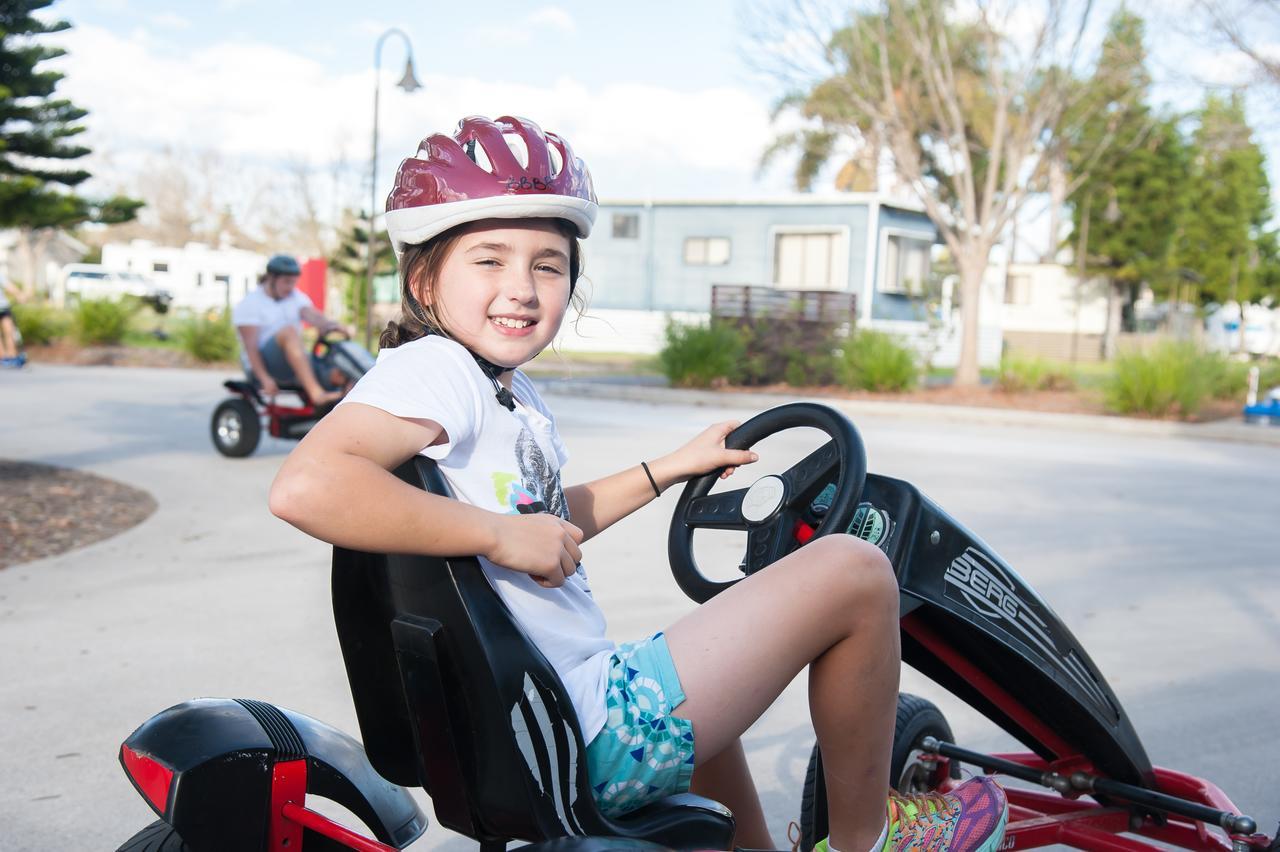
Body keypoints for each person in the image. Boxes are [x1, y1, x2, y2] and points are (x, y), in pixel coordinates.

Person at [269, 116, 1008, 852]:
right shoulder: (437, 371)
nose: (521, 289)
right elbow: (307, 486)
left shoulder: (500, 389)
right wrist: (498, 533)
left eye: (547, 266)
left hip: (547, 728)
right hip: (579, 734)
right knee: (857, 571)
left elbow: (545, 521)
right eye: (489, 261)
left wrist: (665, 470)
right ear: (423, 276)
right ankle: (867, 839)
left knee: (704, 678)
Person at [232, 254, 346, 406]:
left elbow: (312, 315)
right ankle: (316, 393)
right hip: (265, 364)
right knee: (289, 332)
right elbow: (251, 348)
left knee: (341, 373)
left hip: (295, 360)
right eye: (286, 282)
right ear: (271, 278)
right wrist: (264, 378)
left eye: (293, 282)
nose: (290, 287)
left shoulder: (296, 297)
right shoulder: (250, 303)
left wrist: (330, 325)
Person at [0, 273, 27, 369]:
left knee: (9, 331)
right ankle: (3, 357)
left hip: (3, 307)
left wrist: (19, 295)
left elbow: (9, 286)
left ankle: (12, 356)